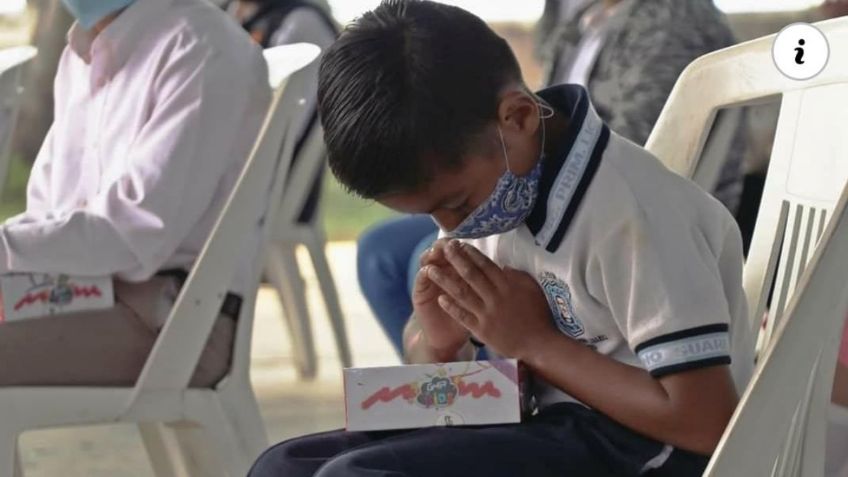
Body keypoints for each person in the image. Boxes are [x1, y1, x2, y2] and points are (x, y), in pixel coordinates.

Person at [250, 1, 752, 476]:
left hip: (641, 448)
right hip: (543, 421)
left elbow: (707, 424)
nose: (451, 228)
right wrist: (437, 342)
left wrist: (533, 342)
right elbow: (434, 360)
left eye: (458, 205)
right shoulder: (501, 179)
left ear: (519, 117)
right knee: (284, 466)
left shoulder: (633, 213)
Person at [358, 0, 746, 357]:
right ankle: (466, 394)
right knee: (391, 255)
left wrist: (533, 340)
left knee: (455, 273)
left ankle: (501, 384)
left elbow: (642, 149)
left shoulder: (673, 23)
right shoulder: (576, 16)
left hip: (583, 201)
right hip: (527, 174)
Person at [0, 0, 270, 386]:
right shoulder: (81, 53)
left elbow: (129, 237)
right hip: (75, 295)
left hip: (168, 322)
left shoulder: (199, 46)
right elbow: (49, 215)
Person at [227, 0, 338, 226]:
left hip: (270, 186)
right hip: (236, 176)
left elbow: (284, 130)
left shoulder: (301, 23)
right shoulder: (234, 15)